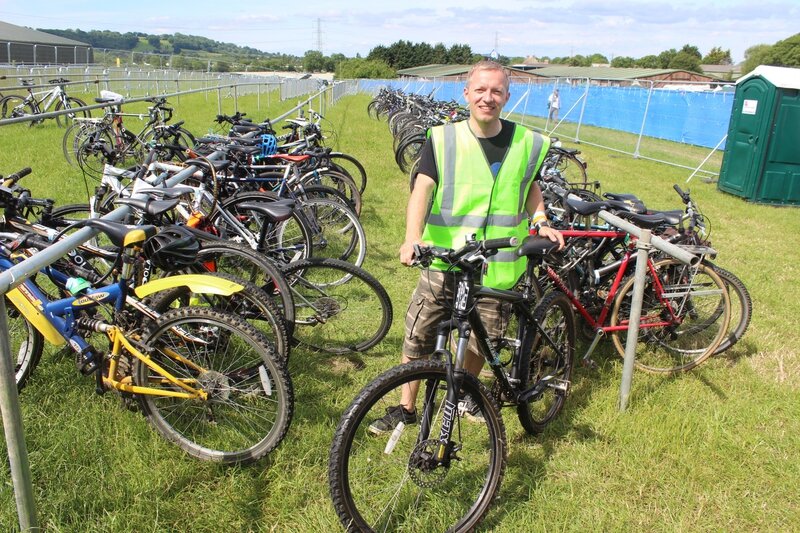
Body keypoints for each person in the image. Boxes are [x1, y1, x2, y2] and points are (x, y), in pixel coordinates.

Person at [368, 60, 565, 434]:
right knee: (419, 335)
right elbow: (421, 189)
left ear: (507, 96)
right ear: (467, 93)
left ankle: (461, 396)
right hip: (446, 261)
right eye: (480, 90)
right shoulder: (442, 139)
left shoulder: (527, 142)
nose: (487, 98)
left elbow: (530, 186)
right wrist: (413, 237)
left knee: (480, 338)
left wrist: (540, 219)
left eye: (495, 91)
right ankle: (406, 407)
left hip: (498, 265)